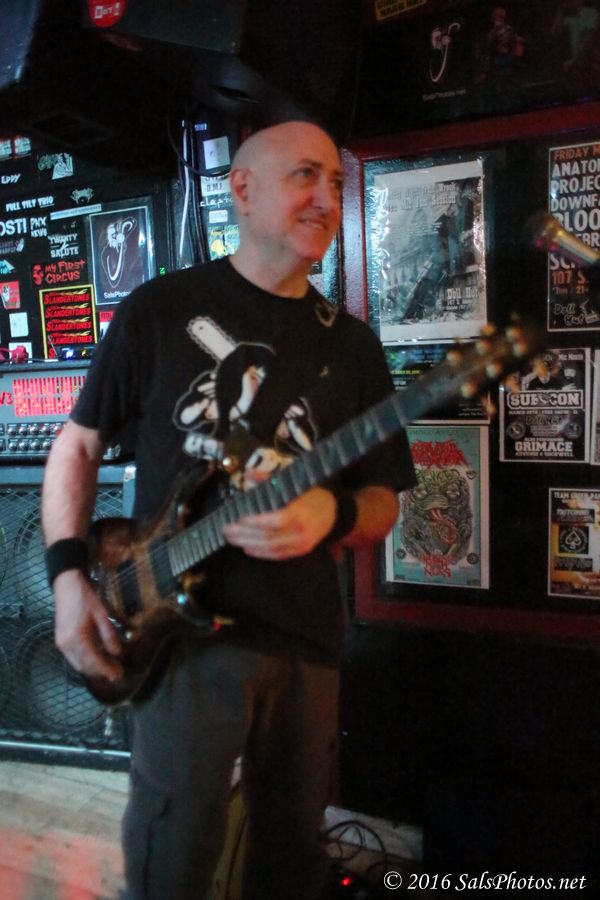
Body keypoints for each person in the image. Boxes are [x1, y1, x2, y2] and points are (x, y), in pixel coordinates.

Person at [41, 121, 415, 900]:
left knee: (291, 863)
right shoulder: (160, 309)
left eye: (336, 182)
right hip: (177, 643)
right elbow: (77, 446)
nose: (327, 197)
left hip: (305, 643)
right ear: (241, 189)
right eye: (306, 175)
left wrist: (331, 516)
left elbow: (384, 501)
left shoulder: (351, 348)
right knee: (172, 860)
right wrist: (69, 579)